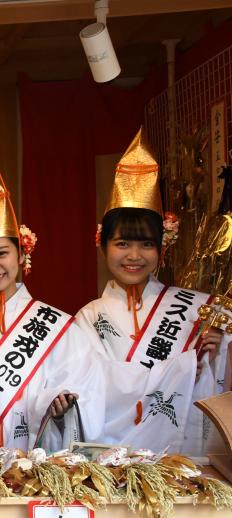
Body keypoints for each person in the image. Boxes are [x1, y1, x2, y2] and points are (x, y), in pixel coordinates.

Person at [0, 144, 104, 460]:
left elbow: (84, 387)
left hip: (32, 462)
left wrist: (54, 400)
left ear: (22, 254)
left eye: (2, 254)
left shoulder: (58, 325)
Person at [76, 129, 228, 455]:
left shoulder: (198, 309)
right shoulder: (88, 317)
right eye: (122, 244)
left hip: (180, 457)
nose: (134, 256)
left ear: (162, 248)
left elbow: (219, 385)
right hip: (108, 460)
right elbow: (92, 384)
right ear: (102, 246)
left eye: (146, 244)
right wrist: (186, 365)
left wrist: (218, 351)